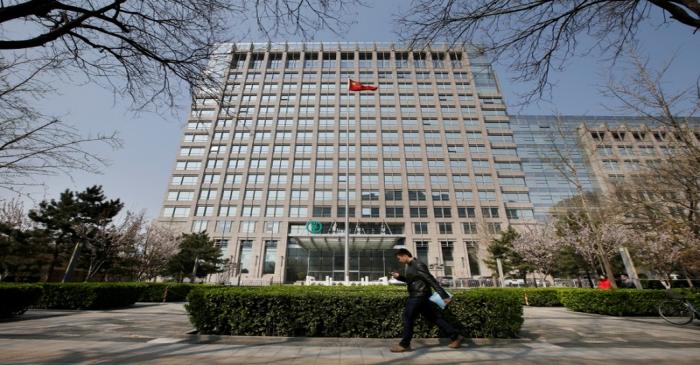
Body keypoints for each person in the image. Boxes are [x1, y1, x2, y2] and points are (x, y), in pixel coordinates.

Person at [389, 248, 464, 352]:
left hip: (418, 296)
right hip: (421, 296)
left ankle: (404, 344)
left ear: (405, 255)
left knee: (408, 317)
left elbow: (431, 280)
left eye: (399, 258)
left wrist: (444, 296)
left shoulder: (418, 264)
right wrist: (399, 277)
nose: (399, 260)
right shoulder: (410, 266)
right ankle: (455, 336)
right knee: (434, 317)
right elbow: (411, 281)